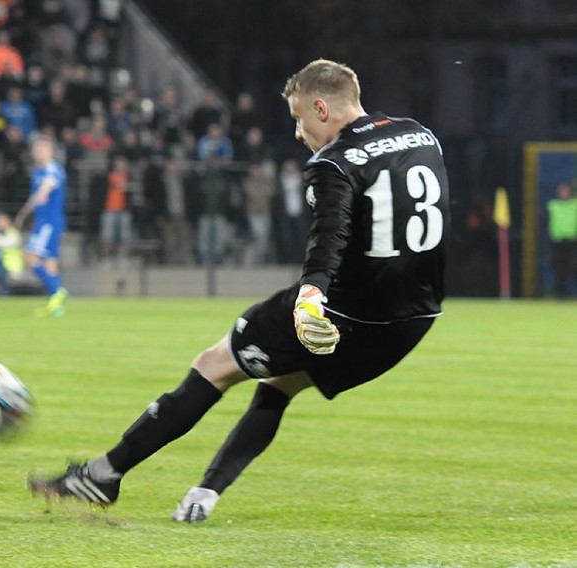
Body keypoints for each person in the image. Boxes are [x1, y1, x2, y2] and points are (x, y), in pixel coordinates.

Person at [28, 59, 450, 522]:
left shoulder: (331, 162)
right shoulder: (419, 134)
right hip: (412, 322)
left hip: (345, 312)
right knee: (280, 384)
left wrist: (311, 296)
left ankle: (103, 474)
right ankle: (205, 493)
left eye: (298, 118)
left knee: (214, 365)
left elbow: (328, 239)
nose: (297, 131)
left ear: (322, 108)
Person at [14, 136, 69, 317]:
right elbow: (36, 195)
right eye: (37, 149)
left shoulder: (52, 169)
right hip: (44, 222)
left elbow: (48, 185)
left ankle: (57, 290)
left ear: (51, 152)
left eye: (43, 149)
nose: (39, 152)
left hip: (49, 223)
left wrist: (44, 193)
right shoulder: (38, 171)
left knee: (30, 256)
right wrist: (23, 213)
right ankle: (55, 306)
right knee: (49, 262)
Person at [547, 182, 577, 298]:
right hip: (557, 242)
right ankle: (561, 294)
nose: (564, 193)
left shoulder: (575, 205)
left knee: (574, 267)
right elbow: (545, 223)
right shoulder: (552, 206)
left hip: (573, 242)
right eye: (562, 191)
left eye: (566, 191)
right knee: (559, 269)